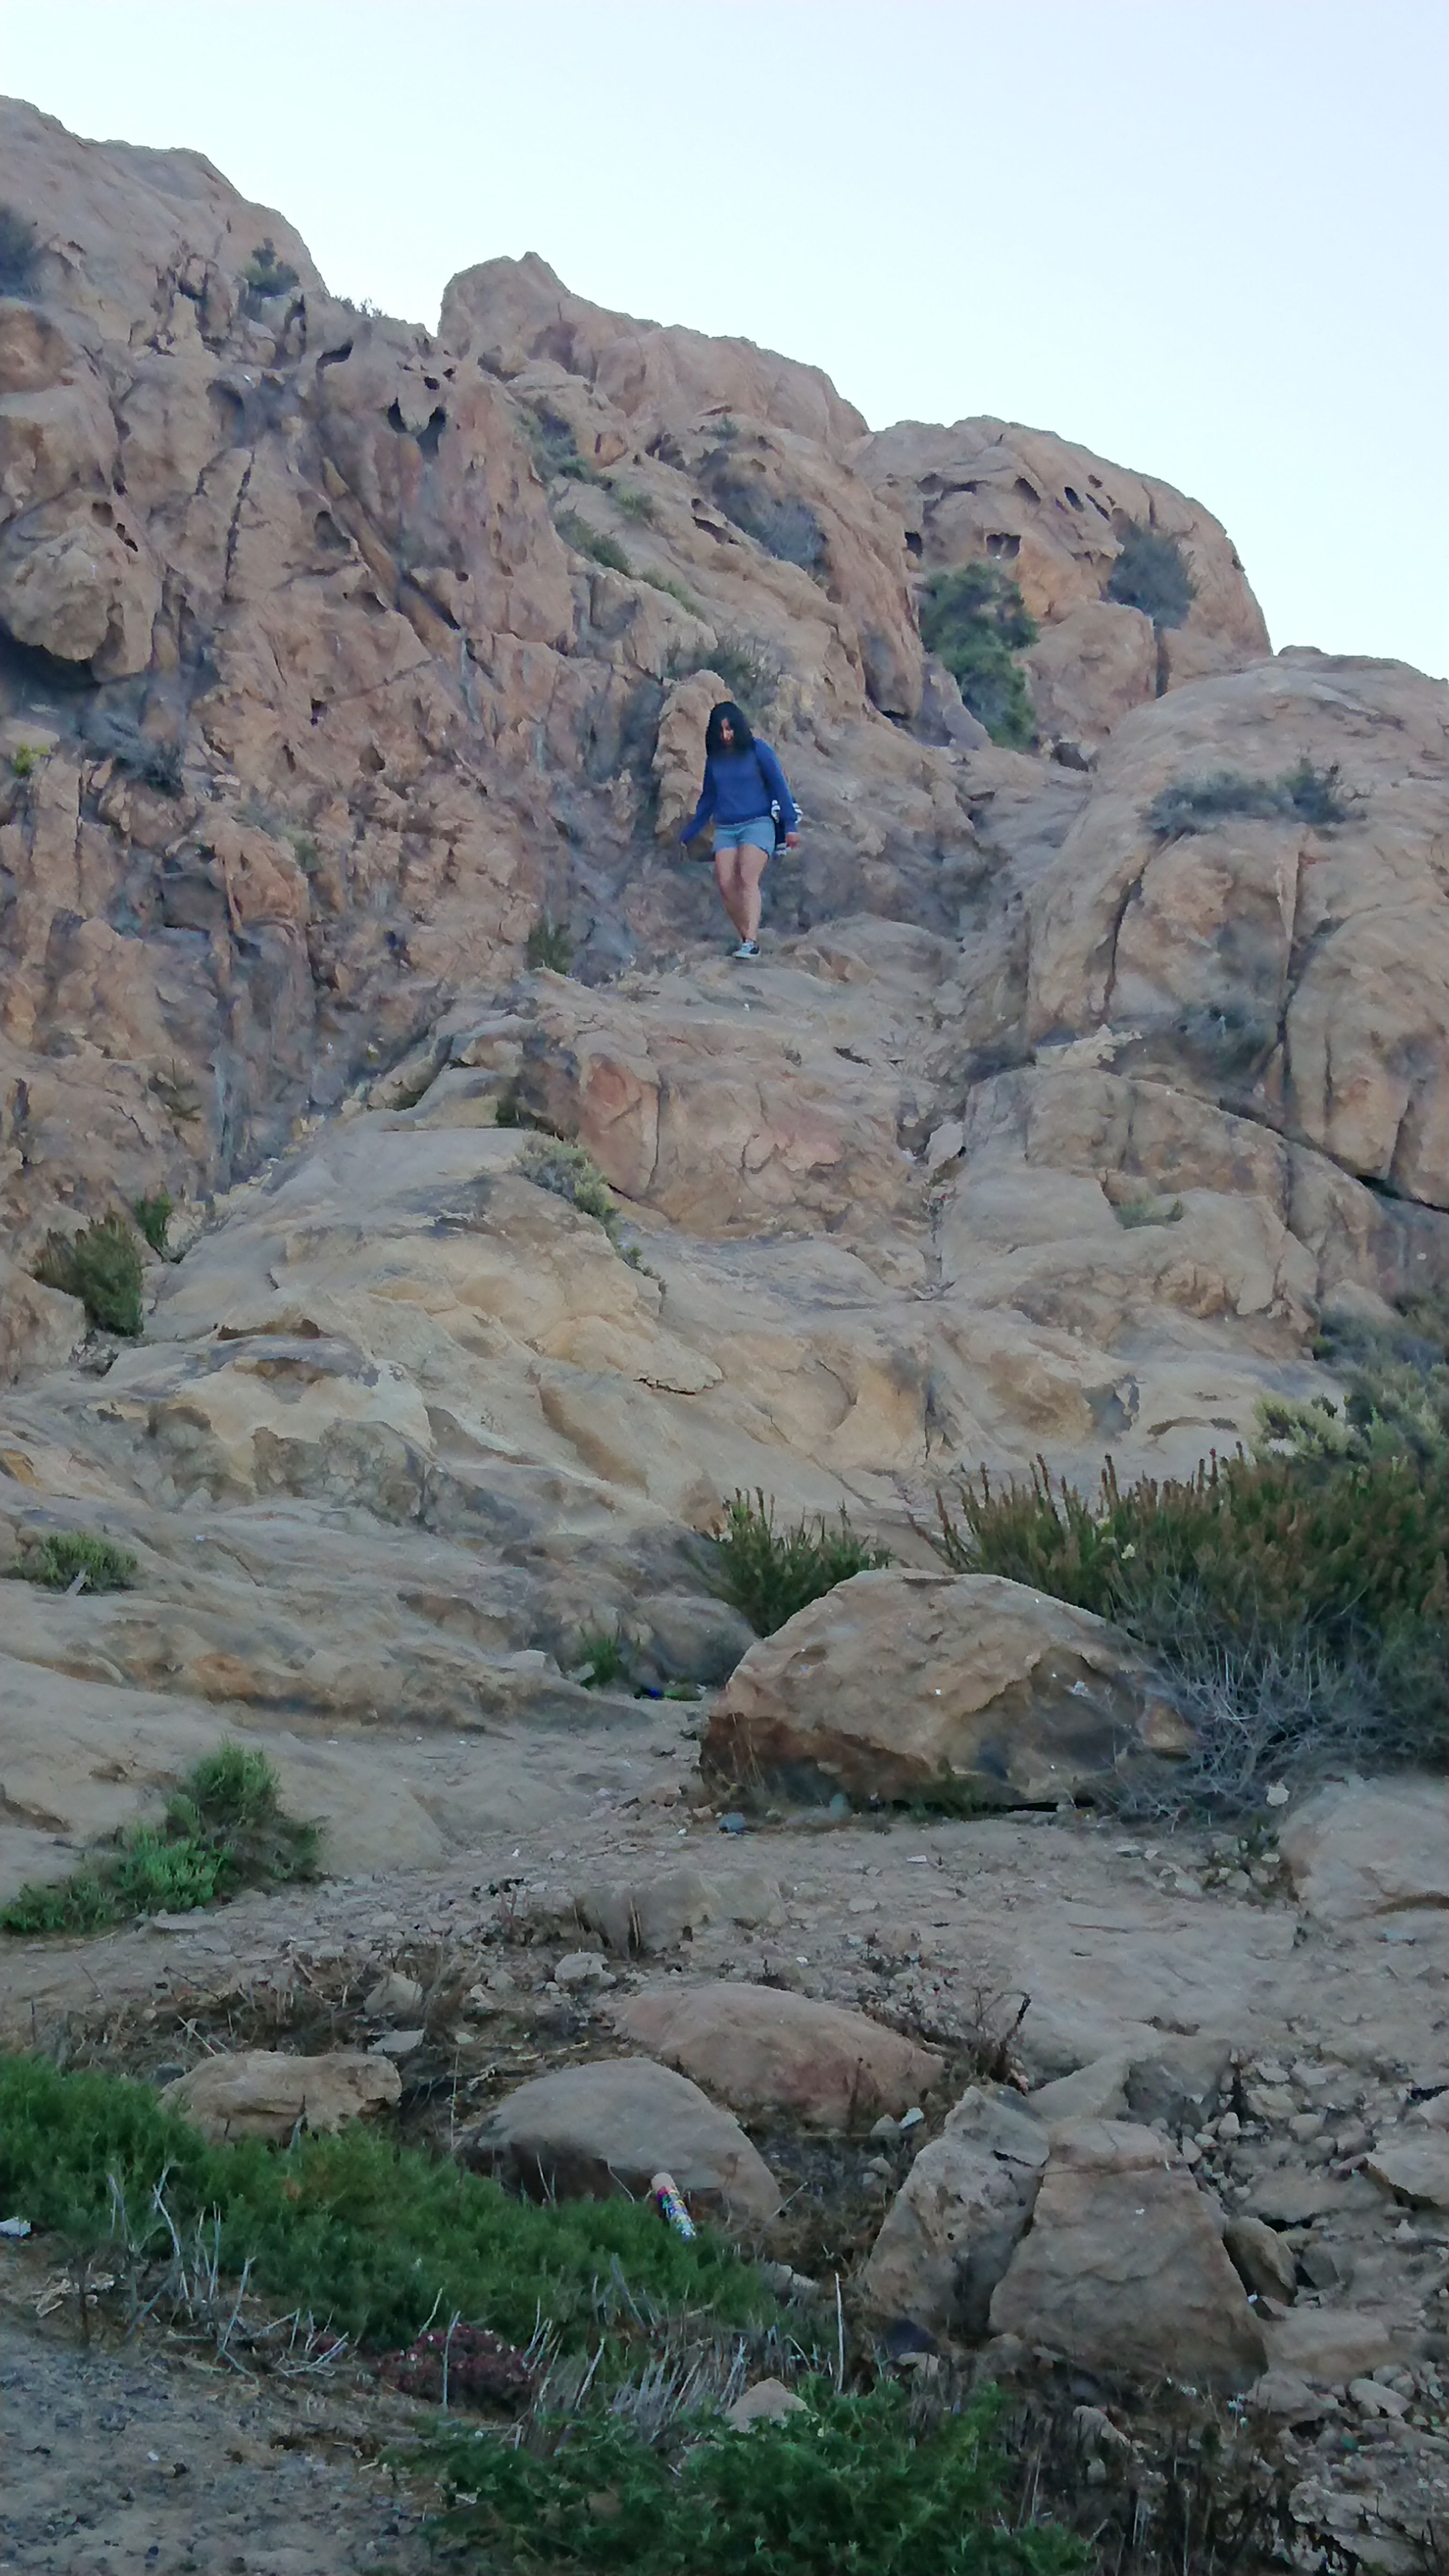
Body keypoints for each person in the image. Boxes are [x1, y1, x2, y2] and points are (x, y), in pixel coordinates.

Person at [677, 701, 799, 959]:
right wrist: (688, 833)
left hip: (758, 823)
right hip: (726, 827)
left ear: (739, 727)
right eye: (720, 731)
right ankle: (747, 938)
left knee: (747, 877)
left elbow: (780, 787)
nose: (726, 736)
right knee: (725, 883)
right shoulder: (715, 761)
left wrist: (790, 825)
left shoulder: (758, 751)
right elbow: (709, 799)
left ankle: (751, 941)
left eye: (730, 729)